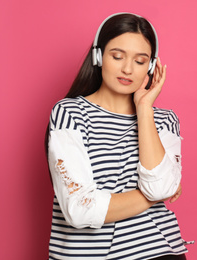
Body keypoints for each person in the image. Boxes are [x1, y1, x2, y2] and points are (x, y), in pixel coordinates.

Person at [45, 13, 188, 259]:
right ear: (99, 56)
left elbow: (163, 185)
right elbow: (79, 210)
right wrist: (155, 195)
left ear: (151, 66)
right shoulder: (70, 113)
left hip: (158, 251)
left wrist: (144, 109)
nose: (127, 69)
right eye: (117, 56)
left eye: (140, 61)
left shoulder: (164, 120)